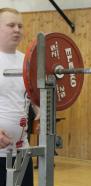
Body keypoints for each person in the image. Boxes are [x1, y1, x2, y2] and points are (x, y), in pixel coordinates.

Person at [0, 8, 37, 186]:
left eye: (20, 26)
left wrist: (42, 111)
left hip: (23, 152)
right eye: (11, 25)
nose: (17, 29)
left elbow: (36, 96)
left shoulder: (27, 62)